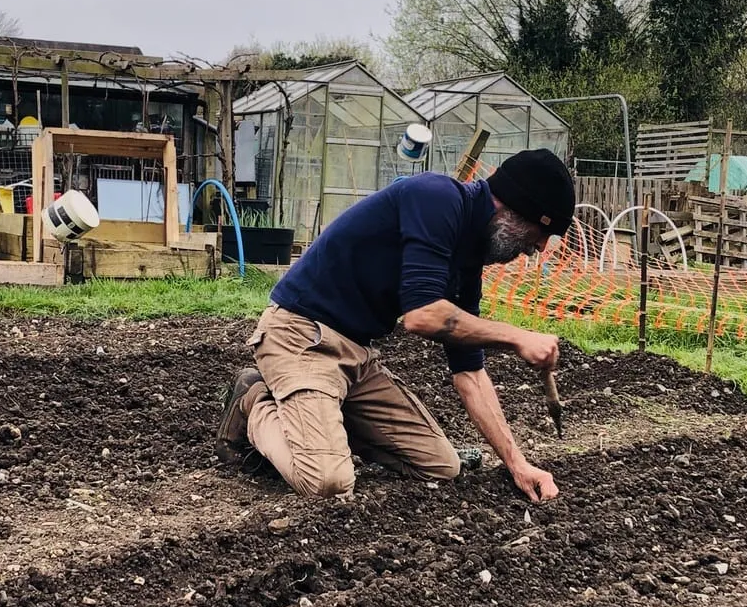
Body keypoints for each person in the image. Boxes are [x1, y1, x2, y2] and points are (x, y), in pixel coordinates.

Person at [215, 148, 576, 501]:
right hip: (301, 338)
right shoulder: (436, 197)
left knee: (442, 467)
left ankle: (322, 418)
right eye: (542, 232)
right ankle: (254, 400)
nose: (540, 247)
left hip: (356, 357)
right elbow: (422, 316)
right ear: (515, 210)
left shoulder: (467, 261)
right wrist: (516, 337)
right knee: (328, 483)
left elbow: (470, 374)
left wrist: (517, 464)